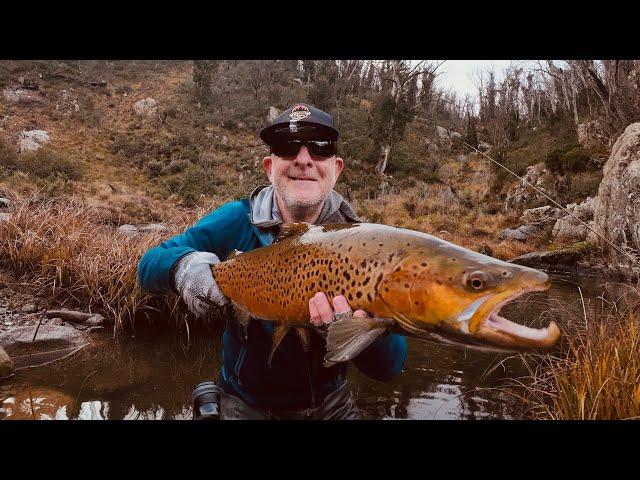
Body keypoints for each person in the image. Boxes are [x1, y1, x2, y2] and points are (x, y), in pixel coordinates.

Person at [137, 103, 407, 420]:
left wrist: (358, 332)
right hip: (243, 404)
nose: (303, 159)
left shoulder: (364, 241)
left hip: (331, 406)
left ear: (337, 168)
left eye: (320, 147)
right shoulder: (236, 219)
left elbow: (390, 367)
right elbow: (148, 266)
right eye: (287, 146)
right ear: (269, 166)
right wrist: (184, 268)